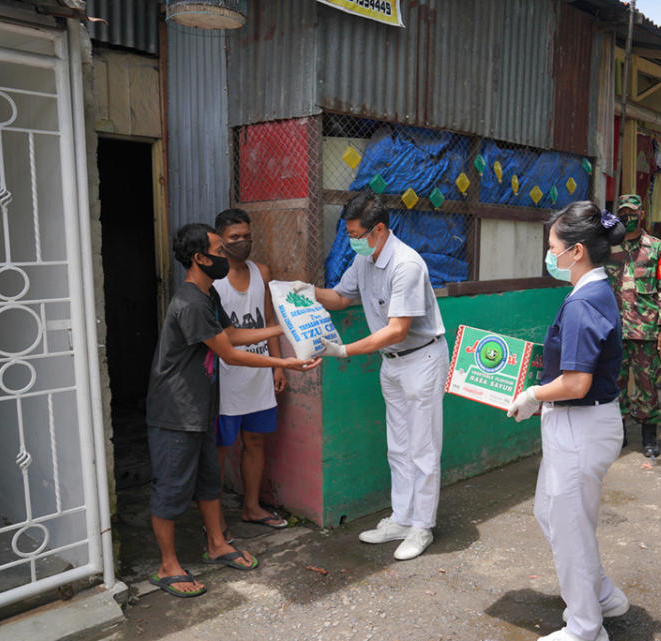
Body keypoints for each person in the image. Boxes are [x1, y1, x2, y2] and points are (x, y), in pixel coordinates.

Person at [145, 223, 319, 598]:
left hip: (200, 408)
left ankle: (217, 545)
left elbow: (234, 334)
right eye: (219, 251)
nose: (227, 256)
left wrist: (284, 330)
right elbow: (229, 354)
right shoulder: (189, 302)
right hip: (175, 413)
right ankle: (166, 566)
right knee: (171, 489)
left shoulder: (208, 297)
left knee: (209, 481)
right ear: (199, 258)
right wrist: (285, 364)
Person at [508, 201, 628, 641]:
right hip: (579, 424)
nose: (549, 254)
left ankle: (585, 628)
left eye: (553, 246)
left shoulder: (584, 302)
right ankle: (603, 597)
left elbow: (576, 383)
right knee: (553, 513)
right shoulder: (591, 292)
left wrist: (533, 394)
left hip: (580, 423)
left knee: (570, 527)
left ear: (576, 251)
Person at [314, 192, 448, 561]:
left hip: (421, 360)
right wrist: (305, 292)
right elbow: (341, 297)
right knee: (399, 446)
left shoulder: (407, 264)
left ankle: (423, 526)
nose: (351, 240)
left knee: (422, 448)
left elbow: (398, 330)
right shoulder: (365, 260)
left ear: (378, 230)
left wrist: (344, 350)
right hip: (392, 364)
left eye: (356, 234)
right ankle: (402, 518)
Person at [213, 209, 288, 532]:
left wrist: (277, 365)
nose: (242, 242)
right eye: (234, 238)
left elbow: (269, 320)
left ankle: (252, 507)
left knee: (255, 441)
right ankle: (213, 521)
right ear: (220, 240)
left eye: (247, 236)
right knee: (219, 449)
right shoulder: (212, 280)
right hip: (225, 377)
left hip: (259, 374)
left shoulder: (262, 272)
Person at [604, 194, 661, 458]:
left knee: (647, 384)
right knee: (615, 382)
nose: (627, 217)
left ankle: (649, 437)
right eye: (622, 213)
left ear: (642, 214)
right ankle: (619, 434)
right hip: (613, 329)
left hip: (645, 330)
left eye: (632, 213)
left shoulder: (656, 248)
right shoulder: (608, 247)